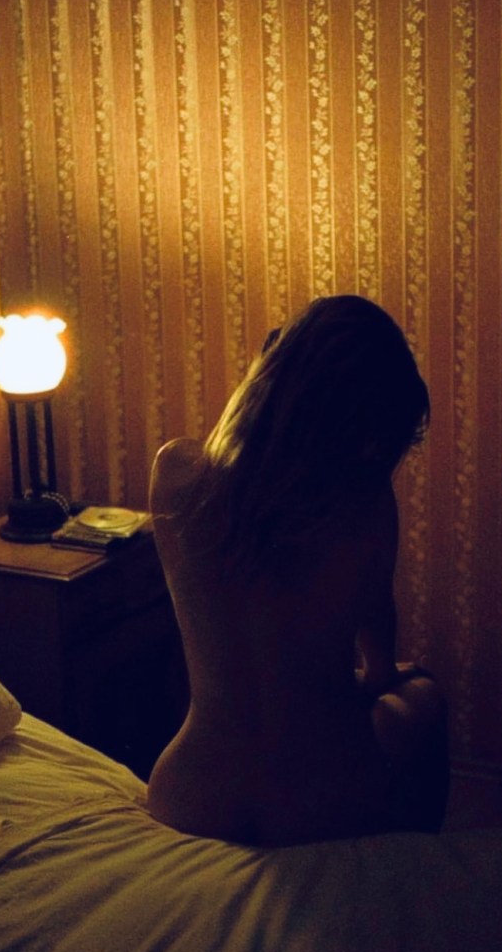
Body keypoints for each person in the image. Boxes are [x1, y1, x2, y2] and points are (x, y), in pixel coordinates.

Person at [147, 295, 449, 846]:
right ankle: (419, 862)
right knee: (422, 693)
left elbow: (240, 468)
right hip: (317, 802)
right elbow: (379, 668)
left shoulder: (176, 475)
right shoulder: (364, 504)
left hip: (193, 794)